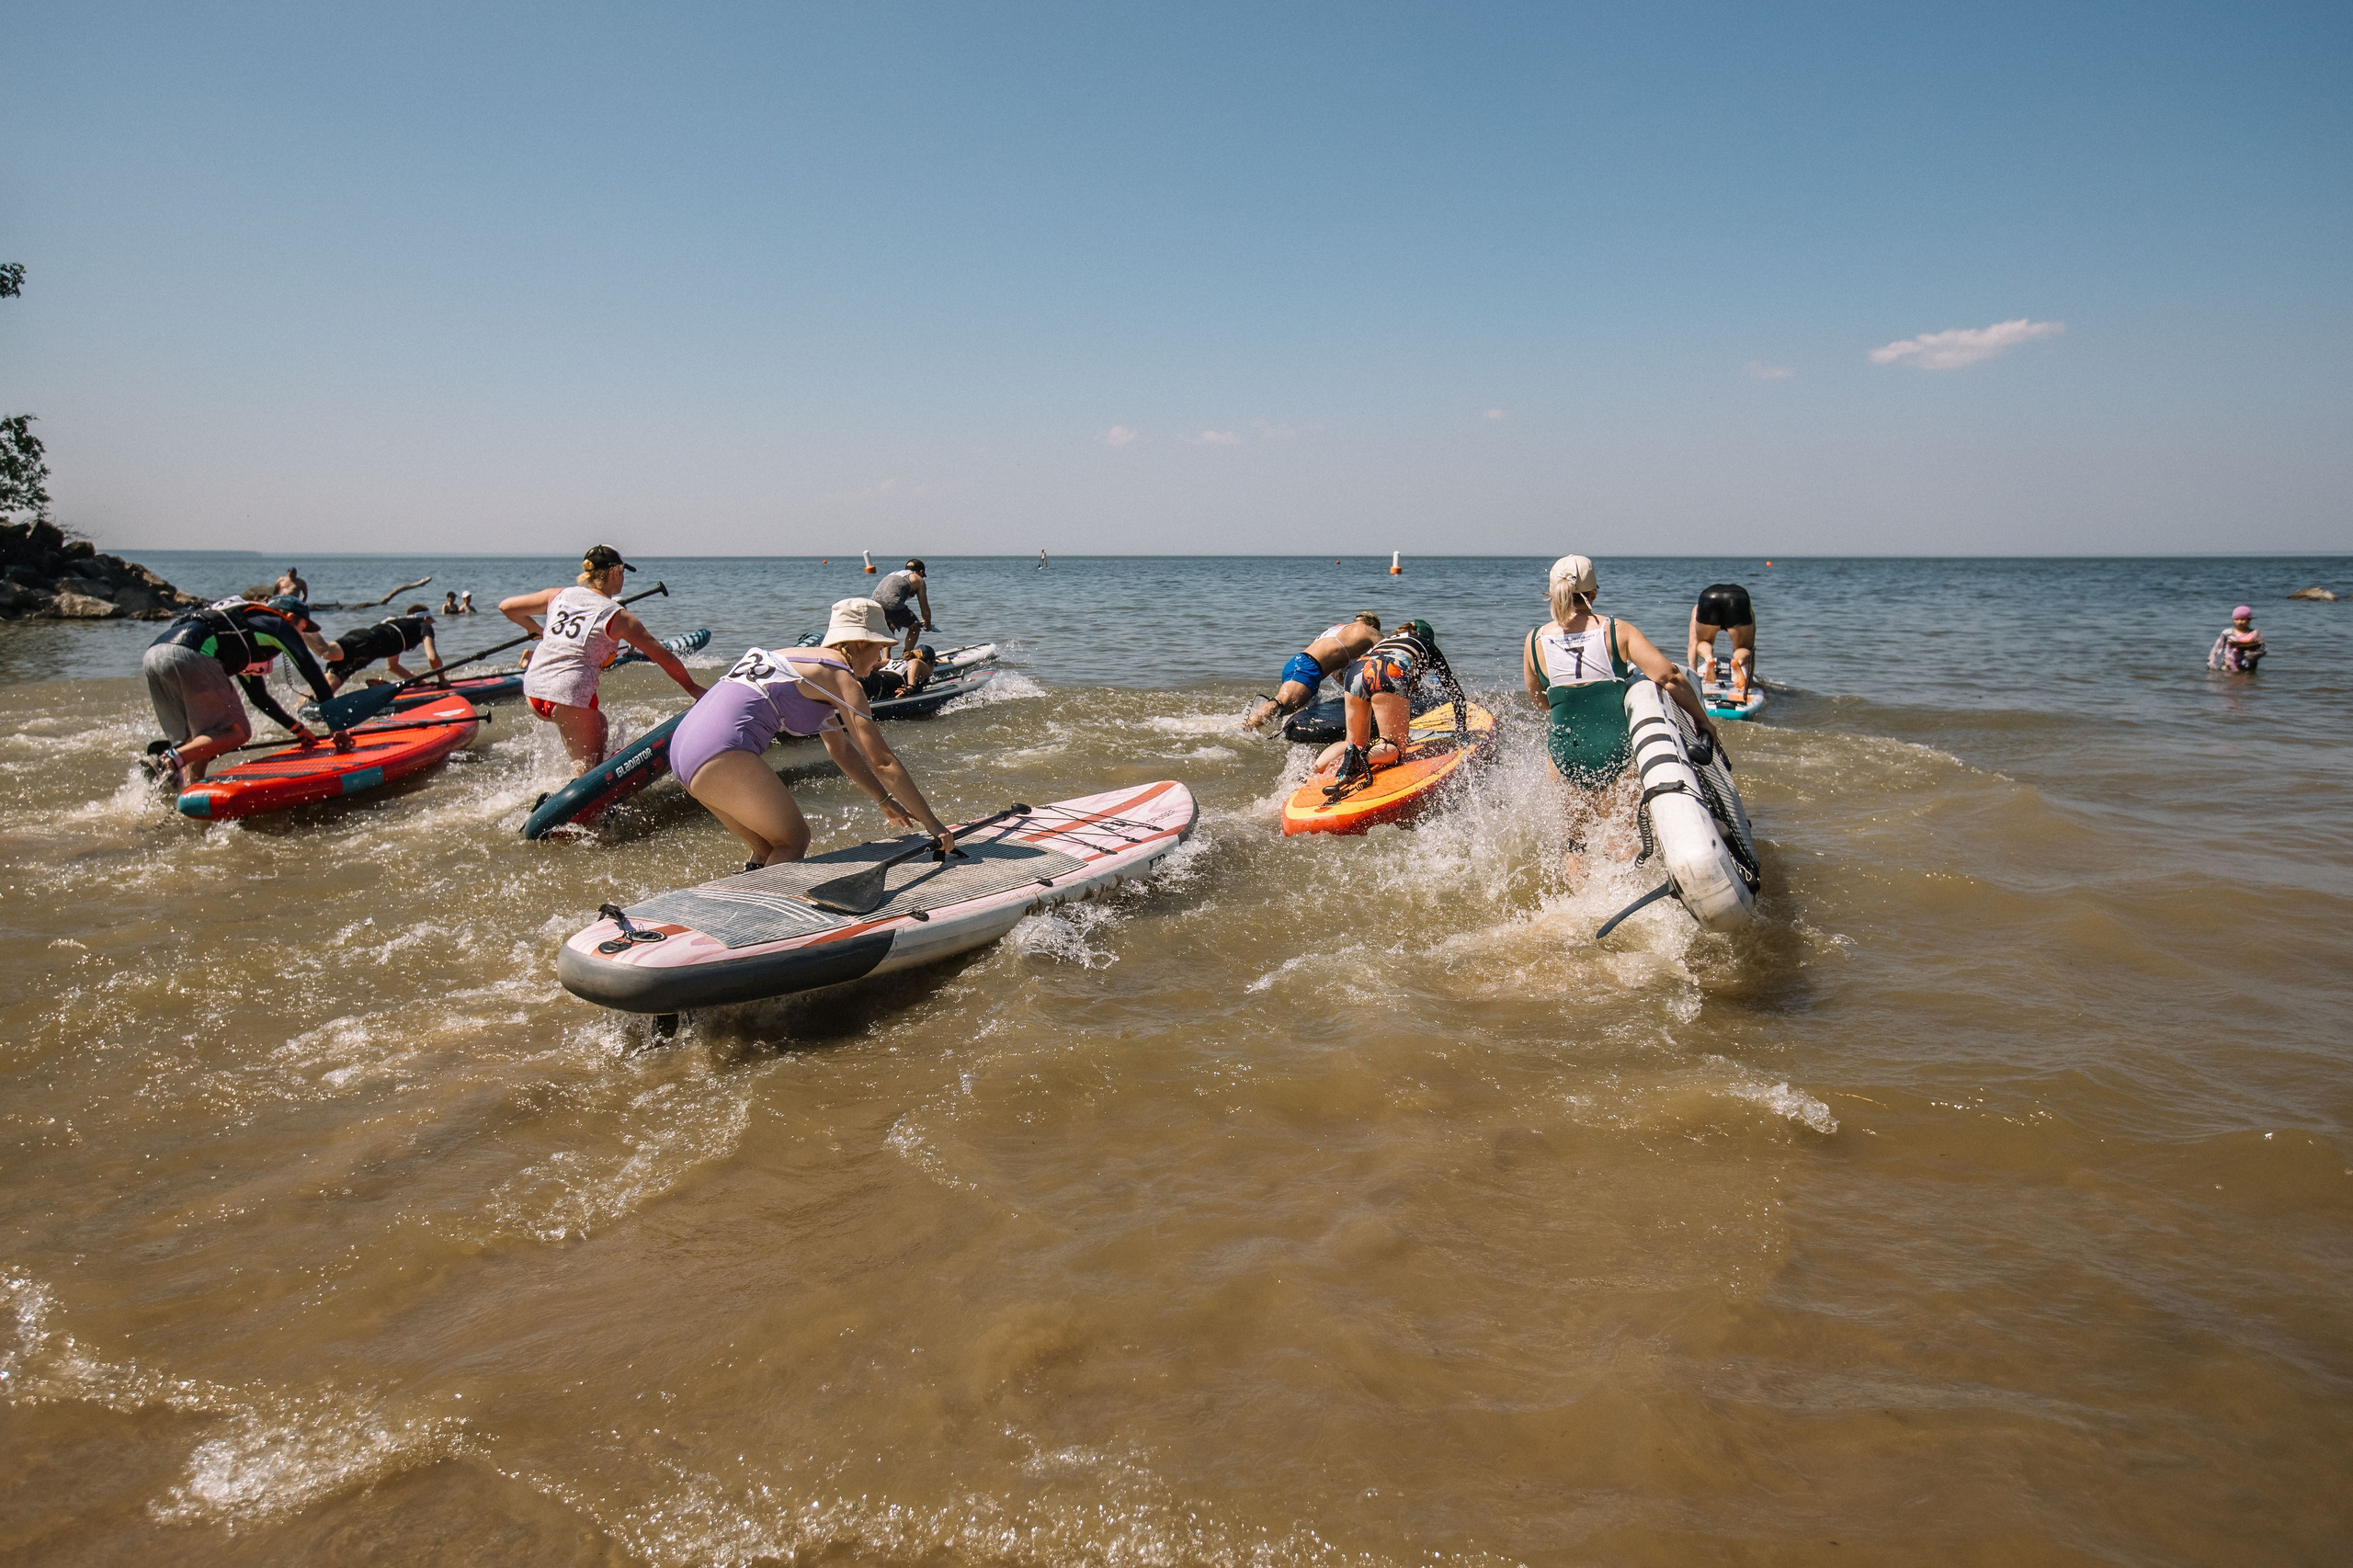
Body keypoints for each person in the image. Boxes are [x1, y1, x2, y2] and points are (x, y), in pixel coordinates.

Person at [670, 597, 955, 868]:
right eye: (878, 648)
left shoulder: (800, 662)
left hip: (683, 753)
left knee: (770, 845)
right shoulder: (840, 677)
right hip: (721, 751)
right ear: (858, 644)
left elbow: (840, 749)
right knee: (794, 841)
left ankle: (747, 896)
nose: (880, 659)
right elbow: (883, 762)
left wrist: (883, 799)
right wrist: (933, 823)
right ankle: (767, 914)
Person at [1525, 552, 1719, 801]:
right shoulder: (1616, 631)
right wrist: (1703, 721)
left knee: (1572, 839)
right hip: (1615, 755)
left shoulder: (1534, 641)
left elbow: (1541, 703)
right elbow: (1669, 677)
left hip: (1565, 756)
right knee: (1619, 838)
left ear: (1551, 595)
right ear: (1593, 594)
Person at [501, 545, 706, 776]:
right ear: (616, 572)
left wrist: (539, 631)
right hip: (569, 696)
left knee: (601, 723)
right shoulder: (617, 616)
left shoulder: (558, 595)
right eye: (623, 573)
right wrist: (693, 689)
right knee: (589, 772)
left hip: (534, 690)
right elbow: (664, 657)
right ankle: (579, 802)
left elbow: (507, 607)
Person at [142, 599, 341, 786]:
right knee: (237, 732)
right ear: (289, 617)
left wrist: (297, 729)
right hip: (190, 652)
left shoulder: (244, 630)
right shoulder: (279, 624)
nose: (301, 636)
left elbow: (258, 697)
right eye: (303, 628)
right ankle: (166, 761)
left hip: (154, 654)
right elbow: (309, 668)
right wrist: (336, 723)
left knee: (200, 739)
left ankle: (183, 788)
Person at [1311, 619, 1463, 790]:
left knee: (1352, 741)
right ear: (1428, 637)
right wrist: (1462, 732)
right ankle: (1359, 758)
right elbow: (1455, 692)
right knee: (1394, 746)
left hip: (1357, 671)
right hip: (1388, 670)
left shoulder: (1387, 641)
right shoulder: (1427, 644)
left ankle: (1314, 770)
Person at [1242, 612, 1383, 731]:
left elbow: (1335, 672)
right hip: (1308, 667)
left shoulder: (1339, 629)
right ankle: (1244, 727)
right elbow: (1391, 650)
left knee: (1293, 710)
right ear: (1372, 626)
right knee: (1281, 704)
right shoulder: (1368, 631)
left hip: (1301, 663)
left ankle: (1263, 728)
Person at [321, 605, 444, 692]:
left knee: (329, 685)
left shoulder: (397, 628)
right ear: (425, 618)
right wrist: (442, 680)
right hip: (365, 642)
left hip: (366, 649)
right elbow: (432, 657)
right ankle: (306, 632)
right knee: (327, 651)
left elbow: (392, 666)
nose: (431, 624)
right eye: (431, 621)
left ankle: (307, 705)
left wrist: (417, 682)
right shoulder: (424, 624)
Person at [1686, 581, 1756, 701]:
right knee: (1744, 648)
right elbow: (1752, 647)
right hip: (1738, 599)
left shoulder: (1697, 608)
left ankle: (1709, 659)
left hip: (1709, 597)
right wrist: (1750, 683)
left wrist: (1693, 680)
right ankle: (1738, 663)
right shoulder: (1747, 605)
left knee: (1702, 642)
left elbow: (1692, 644)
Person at [870, 559, 935, 656]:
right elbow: (924, 608)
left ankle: (886, 657)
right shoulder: (918, 579)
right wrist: (928, 623)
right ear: (921, 572)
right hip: (891, 604)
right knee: (915, 627)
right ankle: (907, 656)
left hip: (874, 604)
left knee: (890, 626)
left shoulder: (894, 574)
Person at [861, 643, 937, 700]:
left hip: (874, 678)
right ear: (929, 662)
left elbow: (870, 665)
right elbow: (915, 662)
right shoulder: (924, 667)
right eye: (934, 664)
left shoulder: (892, 661)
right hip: (885, 684)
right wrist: (911, 686)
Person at [2211, 605, 2266, 672]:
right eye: (2236, 619)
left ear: (2249, 619)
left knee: (2248, 681)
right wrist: (2212, 661)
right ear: (2233, 619)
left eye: (2243, 619)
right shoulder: (2227, 633)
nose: (2239, 622)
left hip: (2248, 668)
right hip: (2228, 667)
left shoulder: (2255, 634)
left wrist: (2253, 655)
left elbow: (2263, 650)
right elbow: (2217, 648)